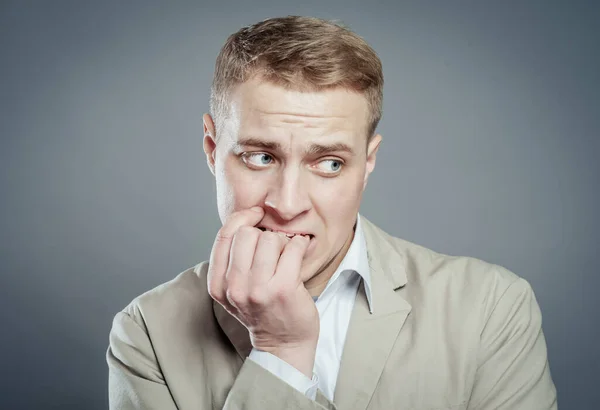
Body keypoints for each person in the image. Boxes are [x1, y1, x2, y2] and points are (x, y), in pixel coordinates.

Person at [106, 16, 557, 410]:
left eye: (329, 163)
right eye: (261, 156)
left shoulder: (490, 309)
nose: (287, 204)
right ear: (211, 149)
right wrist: (281, 351)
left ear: (369, 162)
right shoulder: (146, 332)